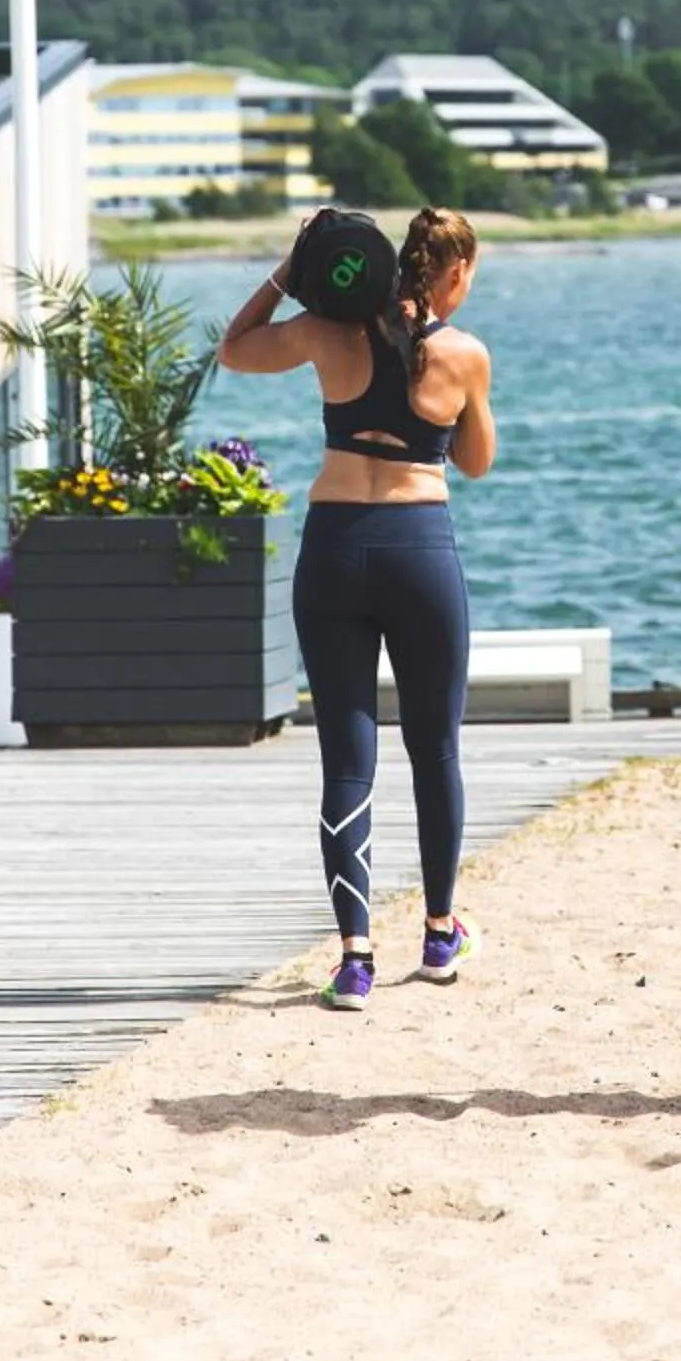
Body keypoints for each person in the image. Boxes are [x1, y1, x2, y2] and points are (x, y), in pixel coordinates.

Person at [218, 207, 496, 1011]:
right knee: (435, 748)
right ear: (452, 274)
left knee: (348, 756)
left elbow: (234, 351)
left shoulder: (326, 332)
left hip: (336, 546)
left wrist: (290, 269)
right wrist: (457, 408)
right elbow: (476, 463)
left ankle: (355, 957)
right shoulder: (463, 353)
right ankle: (441, 933)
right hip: (419, 547)